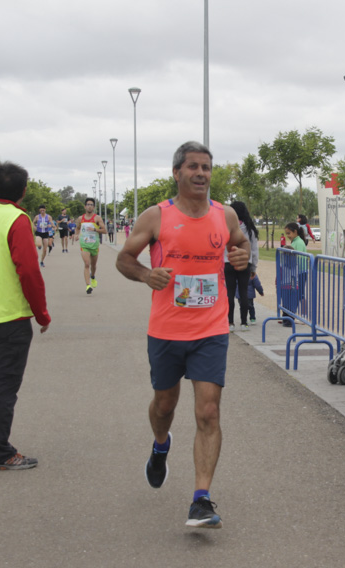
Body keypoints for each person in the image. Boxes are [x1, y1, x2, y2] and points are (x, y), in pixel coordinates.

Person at [116, 141, 250, 529]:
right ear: (177, 173)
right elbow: (124, 258)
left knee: (208, 410)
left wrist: (241, 257)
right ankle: (161, 446)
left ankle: (201, 499)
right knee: (164, 405)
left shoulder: (224, 216)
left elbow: (240, 246)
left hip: (211, 329)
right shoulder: (156, 216)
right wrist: (145, 274)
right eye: (193, 167)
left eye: (207, 167)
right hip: (166, 330)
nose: (201, 174)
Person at [0, 162, 51, 471]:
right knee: (4, 385)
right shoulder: (17, 219)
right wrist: (41, 314)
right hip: (11, 316)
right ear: (23, 191)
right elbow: (29, 271)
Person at [226, 201, 259, 331]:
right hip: (246, 262)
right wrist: (254, 267)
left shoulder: (226, 226)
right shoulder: (250, 228)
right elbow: (254, 249)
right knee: (244, 292)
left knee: (230, 293)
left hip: (228, 261)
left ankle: (230, 323)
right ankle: (244, 322)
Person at [280, 222, 309, 326]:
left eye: (289, 233)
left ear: (295, 232)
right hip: (295, 272)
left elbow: (297, 258)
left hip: (300, 272)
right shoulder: (294, 242)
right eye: (286, 233)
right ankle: (290, 316)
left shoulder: (299, 243)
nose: (287, 235)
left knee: (300, 295)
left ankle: (304, 316)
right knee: (295, 294)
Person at [77, 198, 106, 294]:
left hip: (94, 245)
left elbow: (104, 231)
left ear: (93, 207)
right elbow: (77, 228)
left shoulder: (97, 218)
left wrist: (95, 229)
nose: (89, 206)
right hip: (84, 245)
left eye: (91, 204)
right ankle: (88, 285)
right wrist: (76, 235)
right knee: (86, 264)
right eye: (88, 204)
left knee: (93, 265)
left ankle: (93, 276)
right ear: (85, 206)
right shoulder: (81, 218)